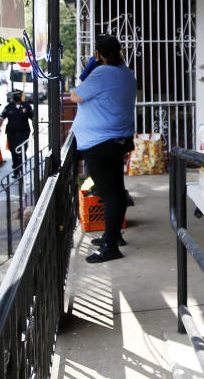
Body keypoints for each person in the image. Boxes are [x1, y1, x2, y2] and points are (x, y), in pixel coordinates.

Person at [69, 34, 137, 263]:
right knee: (116, 190)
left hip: (99, 142)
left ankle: (110, 246)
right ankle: (114, 236)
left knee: (110, 195)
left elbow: (75, 95)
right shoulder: (126, 73)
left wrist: (90, 68)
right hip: (116, 140)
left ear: (97, 54)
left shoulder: (102, 73)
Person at [0, 91, 34, 175]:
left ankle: (23, 169)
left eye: (18, 95)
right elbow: (1, 117)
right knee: (13, 151)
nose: (16, 96)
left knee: (22, 150)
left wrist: (35, 128)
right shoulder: (9, 107)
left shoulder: (26, 106)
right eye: (15, 95)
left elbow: (33, 118)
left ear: (21, 96)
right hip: (11, 133)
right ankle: (16, 170)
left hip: (23, 133)